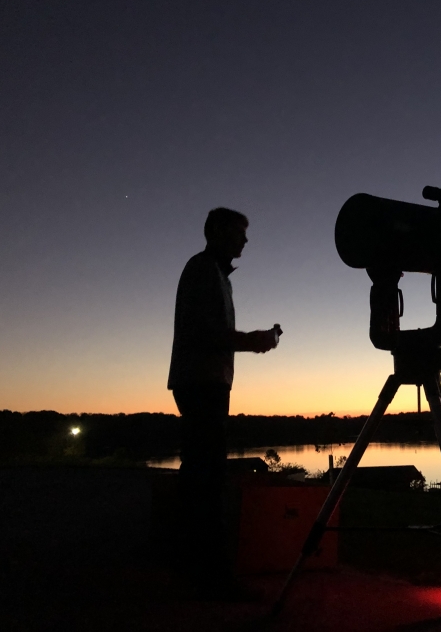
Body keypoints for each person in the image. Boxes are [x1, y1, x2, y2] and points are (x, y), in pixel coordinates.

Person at [167, 207, 281, 599]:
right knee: (207, 474)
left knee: (201, 471)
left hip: (205, 381)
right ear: (216, 232)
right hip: (201, 382)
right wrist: (252, 340)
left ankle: (188, 562)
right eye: (238, 232)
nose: (244, 241)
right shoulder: (202, 270)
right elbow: (207, 333)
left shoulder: (215, 274)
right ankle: (210, 576)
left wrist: (250, 340)